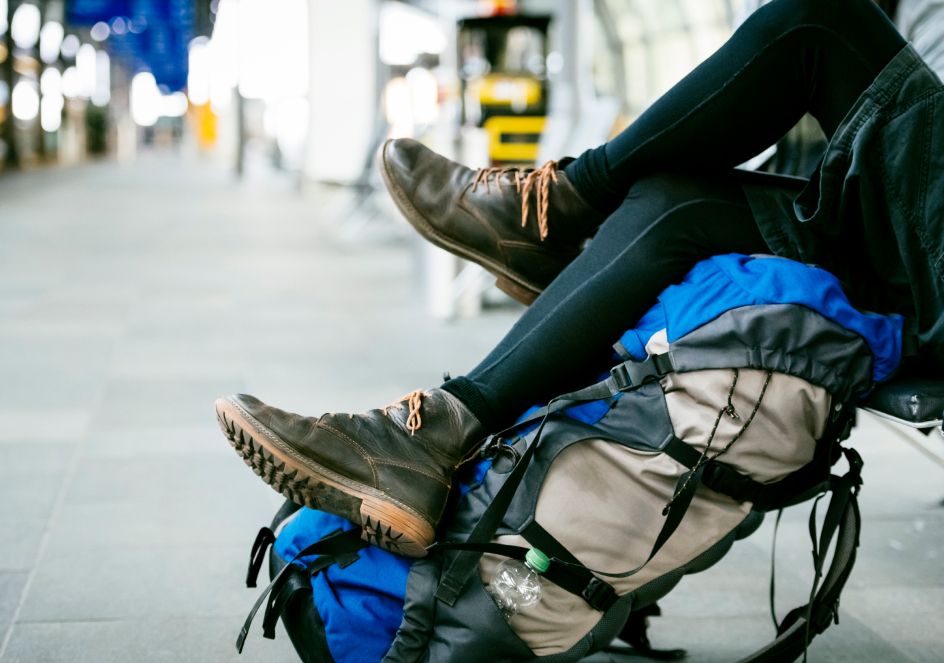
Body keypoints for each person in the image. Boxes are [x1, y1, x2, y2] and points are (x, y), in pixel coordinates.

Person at [216, 0, 944, 558]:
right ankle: (437, 435)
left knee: (823, 21)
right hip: (915, 252)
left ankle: (556, 212)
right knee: (672, 198)